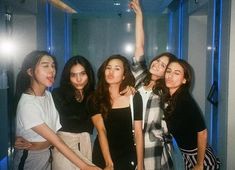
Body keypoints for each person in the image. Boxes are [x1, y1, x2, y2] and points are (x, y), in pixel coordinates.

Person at [13, 50, 101, 170]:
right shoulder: (28, 104)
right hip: (31, 159)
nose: (52, 70)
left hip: (48, 156)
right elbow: (56, 141)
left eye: (53, 66)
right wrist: (85, 166)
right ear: (30, 72)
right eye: (45, 66)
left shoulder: (48, 95)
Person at [130, 0, 177, 169]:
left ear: (168, 73)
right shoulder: (140, 78)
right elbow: (139, 45)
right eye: (158, 60)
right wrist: (139, 15)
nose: (157, 64)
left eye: (163, 65)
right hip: (132, 140)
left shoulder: (168, 92)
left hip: (154, 147)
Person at [162, 59, 220, 170]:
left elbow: (202, 132)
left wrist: (199, 164)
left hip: (201, 159)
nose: (170, 76)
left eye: (176, 73)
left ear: (184, 80)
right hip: (188, 155)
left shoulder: (184, 101)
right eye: (168, 71)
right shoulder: (173, 98)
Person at [89, 54, 144, 170]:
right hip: (103, 154)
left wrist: (141, 164)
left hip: (127, 155)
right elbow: (101, 131)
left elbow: (138, 132)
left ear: (124, 75)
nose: (111, 72)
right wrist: (108, 163)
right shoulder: (95, 98)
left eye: (117, 68)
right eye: (108, 68)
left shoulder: (134, 98)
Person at [51, 55, 96, 169]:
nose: (79, 79)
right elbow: (47, 121)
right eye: (73, 75)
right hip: (63, 145)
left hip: (85, 143)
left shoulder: (94, 95)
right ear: (68, 77)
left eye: (82, 73)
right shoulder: (58, 94)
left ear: (89, 75)